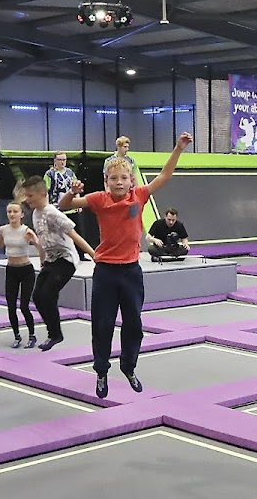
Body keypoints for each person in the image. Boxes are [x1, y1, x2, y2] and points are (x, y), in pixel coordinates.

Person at [62, 132, 192, 398]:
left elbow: (165, 176)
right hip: (106, 272)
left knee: (133, 324)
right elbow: (65, 205)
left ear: (131, 180)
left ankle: (128, 367)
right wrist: (71, 192)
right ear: (106, 181)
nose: (119, 182)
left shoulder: (139, 195)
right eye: (114, 178)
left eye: (124, 178)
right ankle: (101, 370)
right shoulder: (99, 199)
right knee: (103, 325)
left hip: (131, 272)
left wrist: (178, 148)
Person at [19, 175, 96, 351]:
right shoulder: (36, 214)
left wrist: (94, 255)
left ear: (42, 194)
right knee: (37, 297)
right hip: (51, 260)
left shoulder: (53, 213)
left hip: (66, 259)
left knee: (47, 294)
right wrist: (42, 260)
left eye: (30, 196)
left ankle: (55, 334)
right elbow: (44, 241)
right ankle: (52, 331)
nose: (27, 199)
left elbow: (74, 235)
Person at [0, 202, 43, 349]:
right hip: (11, 270)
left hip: (26, 270)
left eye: (15, 211)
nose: (12, 214)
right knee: (11, 306)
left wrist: (35, 241)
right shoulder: (3, 229)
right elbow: (0, 245)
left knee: (24, 306)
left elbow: (40, 247)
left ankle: (32, 335)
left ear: (21, 215)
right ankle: (17, 336)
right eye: (9, 211)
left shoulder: (26, 230)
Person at [45, 152, 86, 261]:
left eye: (64, 160)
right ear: (55, 161)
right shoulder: (49, 174)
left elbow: (76, 187)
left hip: (71, 207)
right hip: (56, 207)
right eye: (60, 160)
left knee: (77, 231)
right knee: (58, 233)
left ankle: (81, 254)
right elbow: (46, 190)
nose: (62, 162)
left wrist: (78, 202)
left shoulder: (70, 172)